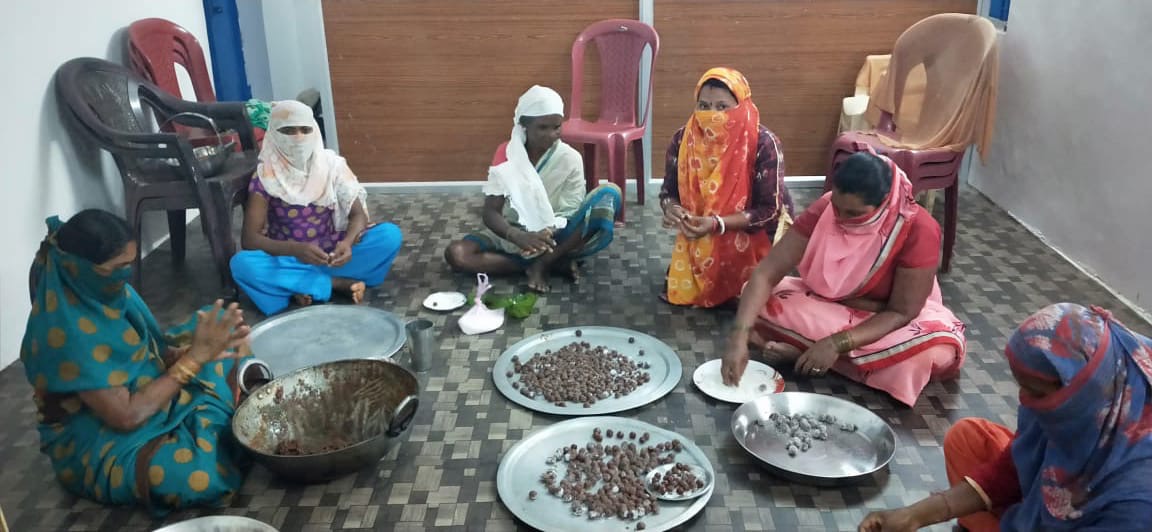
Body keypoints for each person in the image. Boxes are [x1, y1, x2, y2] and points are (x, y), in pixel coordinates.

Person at [21, 210, 271, 514]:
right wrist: (195, 359)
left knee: (222, 325)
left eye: (130, 263)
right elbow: (126, 416)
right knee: (198, 478)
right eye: (119, 267)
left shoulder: (110, 291)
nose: (126, 275)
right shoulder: (63, 333)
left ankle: (224, 423)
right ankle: (230, 420)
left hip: (151, 389)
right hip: (104, 434)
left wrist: (191, 352)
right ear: (82, 269)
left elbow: (153, 351)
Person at [859, 303, 1152, 531]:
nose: (1025, 402)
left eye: (1035, 392)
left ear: (1081, 391)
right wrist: (913, 515)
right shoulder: (1088, 402)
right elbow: (1010, 469)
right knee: (968, 439)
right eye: (1022, 388)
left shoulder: (1136, 501)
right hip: (1052, 500)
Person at [721, 148, 965, 406]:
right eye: (838, 208)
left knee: (927, 357)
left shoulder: (917, 228)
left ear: (884, 202)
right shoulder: (827, 207)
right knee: (755, 297)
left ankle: (806, 354)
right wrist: (738, 338)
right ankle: (825, 359)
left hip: (887, 320)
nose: (840, 218)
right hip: (830, 305)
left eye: (853, 214)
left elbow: (902, 312)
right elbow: (766, 273)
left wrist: (837, 344)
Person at [231, 100, 403, 315]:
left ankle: (299, 285)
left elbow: (357, 215)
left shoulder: (332, 166)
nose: (299, 138)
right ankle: (333, 284)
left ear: (314, 130)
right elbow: (250, 240)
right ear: (273, 134)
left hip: (332, 255)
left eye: (305, 129)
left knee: (389, 236)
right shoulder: (266, 176)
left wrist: (347, 244)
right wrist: (295, 249)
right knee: (242, 264)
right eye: (288, 131)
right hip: (287, 257)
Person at [443, 85, 621, 292]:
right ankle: (552, 262)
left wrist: (545, 232)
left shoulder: (570, 158)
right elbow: (491, 212)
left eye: (556, 127)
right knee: (457, 254)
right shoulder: (507, 154)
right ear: (524, 126)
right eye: (543, 128)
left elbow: (571, 209)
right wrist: (517, 236)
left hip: (556, 232)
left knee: (609, 194)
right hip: (511, 231)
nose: (551, 134)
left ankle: (543, 263)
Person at [658, 67, 794, 308]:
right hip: (699, 230)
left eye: (722, 107)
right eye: (704, 106)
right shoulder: (683, 139)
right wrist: (673, 209)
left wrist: (716, 224)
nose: (712, 115)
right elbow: (669, 192)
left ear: (741, 106)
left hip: (753, 232)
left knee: (753, 300)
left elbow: (768, 211)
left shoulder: (763, 143)